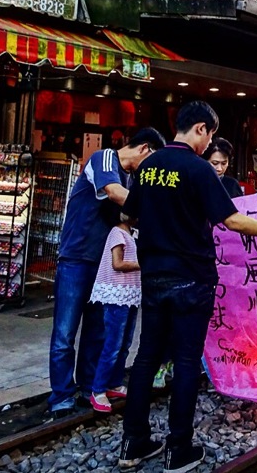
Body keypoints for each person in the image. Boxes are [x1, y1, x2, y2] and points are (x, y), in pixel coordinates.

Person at [119, 101, 257, 473]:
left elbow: (129, 213)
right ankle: (179, 448)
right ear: (201, 129)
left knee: (145, 358)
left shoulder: (148, 166)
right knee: (187, 360)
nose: (209, 145)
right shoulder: (199, 170)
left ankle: (133, 443)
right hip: (192, 279)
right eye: (210, 136)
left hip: (153, 278)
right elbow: (233, 220)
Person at [47, 128, 165, 417]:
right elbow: (113, 193)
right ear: (144, 149)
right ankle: (62, 395)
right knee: (65, 332)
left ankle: (89, 387)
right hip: (76, 258)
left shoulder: (130, 177)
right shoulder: (104, 159)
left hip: (102, 264)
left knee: (96, 331)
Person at [88, 218, 140, 413]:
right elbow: (117, 263)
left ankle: (114, 383)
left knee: (124, 343)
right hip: (116, 295)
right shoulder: (117, 233)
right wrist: (143, 263)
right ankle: (98, 389)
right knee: (113, 345)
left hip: (130, 295)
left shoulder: (132, 234)